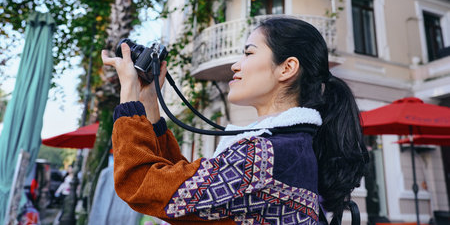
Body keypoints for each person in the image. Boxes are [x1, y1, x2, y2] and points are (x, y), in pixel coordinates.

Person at [101, 17, 368, 224]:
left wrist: (128, 98)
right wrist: (148, 99)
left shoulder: (261, 157)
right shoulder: (288, 148)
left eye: (249, 53)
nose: (235, 65)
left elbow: (139, 183)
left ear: (287, 68)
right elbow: (177, 187)